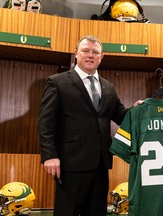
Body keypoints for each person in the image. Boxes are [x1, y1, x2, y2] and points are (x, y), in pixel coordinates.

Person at [38, 35, 133, 216]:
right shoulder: (57, 82)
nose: (90, 55)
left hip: (101, 163)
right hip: (70, 163)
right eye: (85, 51)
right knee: (68, 211)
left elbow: (122, 116)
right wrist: (49, 155)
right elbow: (45, 123)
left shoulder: (109, 87)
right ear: (76, 54)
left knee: (97, 212)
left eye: (95, 52)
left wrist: (139, 110)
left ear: (101, 56)